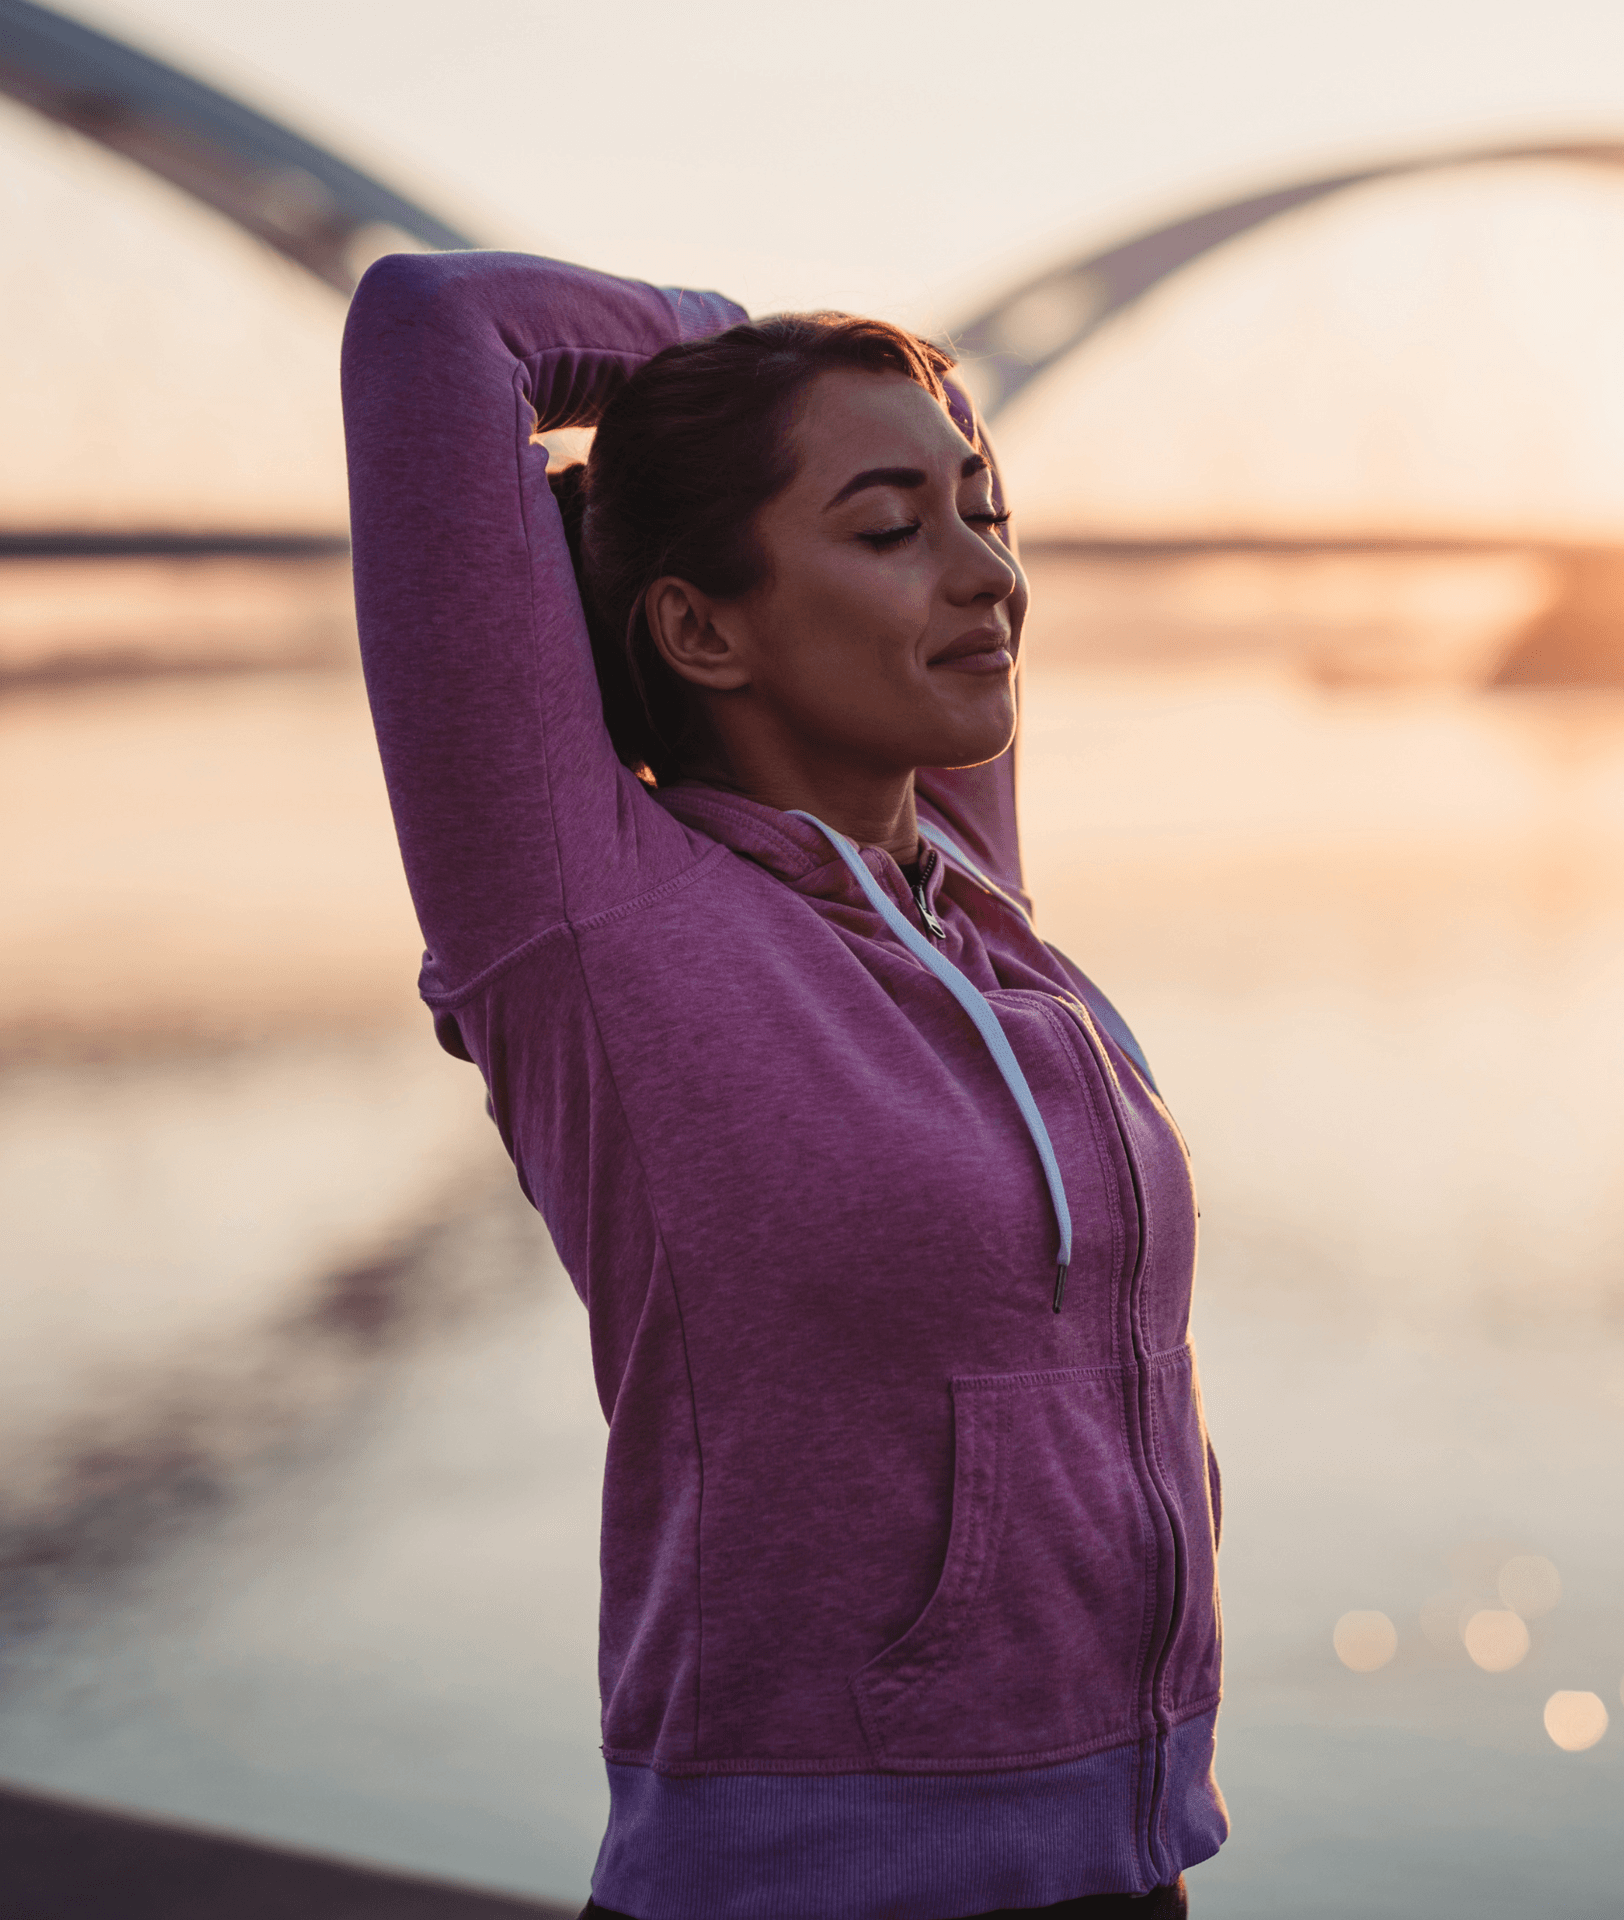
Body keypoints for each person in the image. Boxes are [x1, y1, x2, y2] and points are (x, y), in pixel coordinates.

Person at [341, 250, 1227, 1920]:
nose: (985, 576)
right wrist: (745, 349)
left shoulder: (973, 912)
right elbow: (428, 328)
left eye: (987, 517)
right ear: (696, 625)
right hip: (810, 1888)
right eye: (890, 530)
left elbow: (953, 456)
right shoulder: (597, 926)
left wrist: (890, 405)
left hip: (1126, 1866)